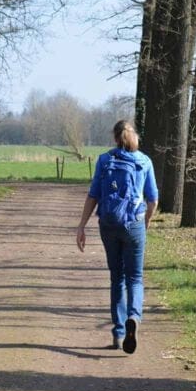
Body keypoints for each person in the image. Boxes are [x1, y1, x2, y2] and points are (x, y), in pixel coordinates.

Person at [75, 119, 158, 354]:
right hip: (134, 224)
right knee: (135, 278)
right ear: (135, 136)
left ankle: (119, 333)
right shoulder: (144, 161)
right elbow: (153, 199)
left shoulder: (104, 160)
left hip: (109, 224)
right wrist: (146, 220)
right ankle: (134, 317)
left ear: (115, 137)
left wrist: (81, 226)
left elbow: (93, 195)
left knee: (117, 278)